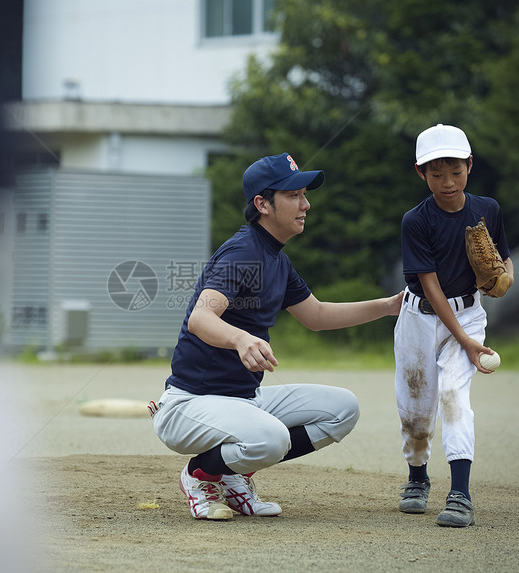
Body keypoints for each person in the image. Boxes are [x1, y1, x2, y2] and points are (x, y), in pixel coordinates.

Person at [150, 152, 403, 520]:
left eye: (304, 195)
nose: (306, 204)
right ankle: (201, 475)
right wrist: (240, 339)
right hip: (191, 405)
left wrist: (388, 306)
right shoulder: (244, 253)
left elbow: (315, 315)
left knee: (343, 409)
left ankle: (233, 475)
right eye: (294, 195)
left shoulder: (276, 259)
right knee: (272, 438)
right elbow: (200, 318)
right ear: (262, 204)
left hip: (243, 401)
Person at [393, 124, 514, 528]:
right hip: (420, 317)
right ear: (420, 173)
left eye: (456, 171)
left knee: (452, 393)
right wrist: (464, 341)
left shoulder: (488, 209)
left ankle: (460, 494)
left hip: (468, 314)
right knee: (415, 410)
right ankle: (417, 476)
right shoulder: (416, 220)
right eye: (436, 173)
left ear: (470, 165)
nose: (447, 182)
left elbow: (502, 258)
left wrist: (507, 278)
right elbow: (430, 285)